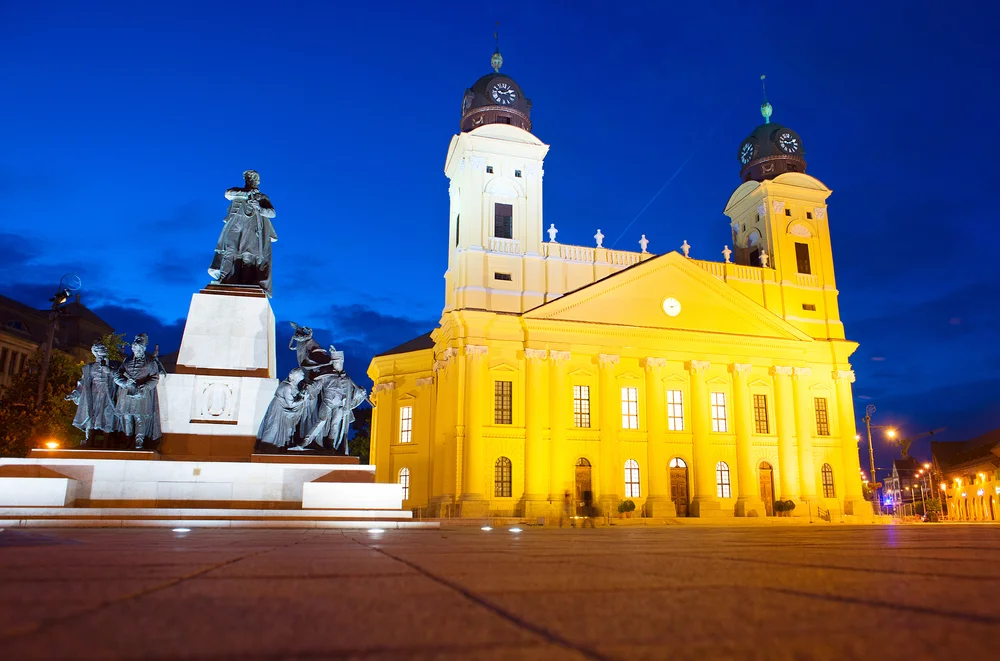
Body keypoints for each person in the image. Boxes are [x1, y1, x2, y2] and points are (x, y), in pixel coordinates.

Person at [207, 169, 278, 296]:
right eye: (249, 178)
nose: (252, 180)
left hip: (251, 227)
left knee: (248, 254)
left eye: (254, 178)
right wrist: (246, 193)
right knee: (229, 250)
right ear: (246, 180)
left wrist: (259, 208)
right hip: (235, 223)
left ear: (258, 181)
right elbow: (228, 194)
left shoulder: (262, 197)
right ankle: (223, 279)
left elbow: (272, 213)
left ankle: (246, 282)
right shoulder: (238, 192)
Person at [113, 334, 162, 449]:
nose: (137, 351)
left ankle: (139, 442)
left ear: (144, 348)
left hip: (141, 395)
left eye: (139, 349)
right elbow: (117, 376)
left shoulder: (150, 362)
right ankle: (127, 439)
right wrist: (125, 382)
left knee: (140, 419)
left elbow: (155, 378)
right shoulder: (127, 361)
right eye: (135, 349)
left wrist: (145, 386)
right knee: (127, 418)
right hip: (126, 395)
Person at [66, 341, 118, 445]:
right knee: (91, 417)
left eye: (104, 348)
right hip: (93, 395)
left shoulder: (114, 365)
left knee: (108, 416)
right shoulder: (89, 367)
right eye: (102, 348)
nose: (105, 349)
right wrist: (74, 394)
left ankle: (106, 442)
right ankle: (89, 439)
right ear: (96, 352)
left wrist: (110, 371)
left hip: (107, 395)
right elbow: (82, 383)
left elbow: (119, 378)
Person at [255, 368, 308, 451]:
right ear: (297, 377)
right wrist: (303, 400)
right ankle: (266, 447)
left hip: (281, 407)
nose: (303, 375)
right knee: (274, 427)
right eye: (302, 374)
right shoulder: (287, 387)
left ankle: (273, 447)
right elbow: (290, 404)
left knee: (276, 428)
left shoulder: (290, 383)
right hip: (278, 409)